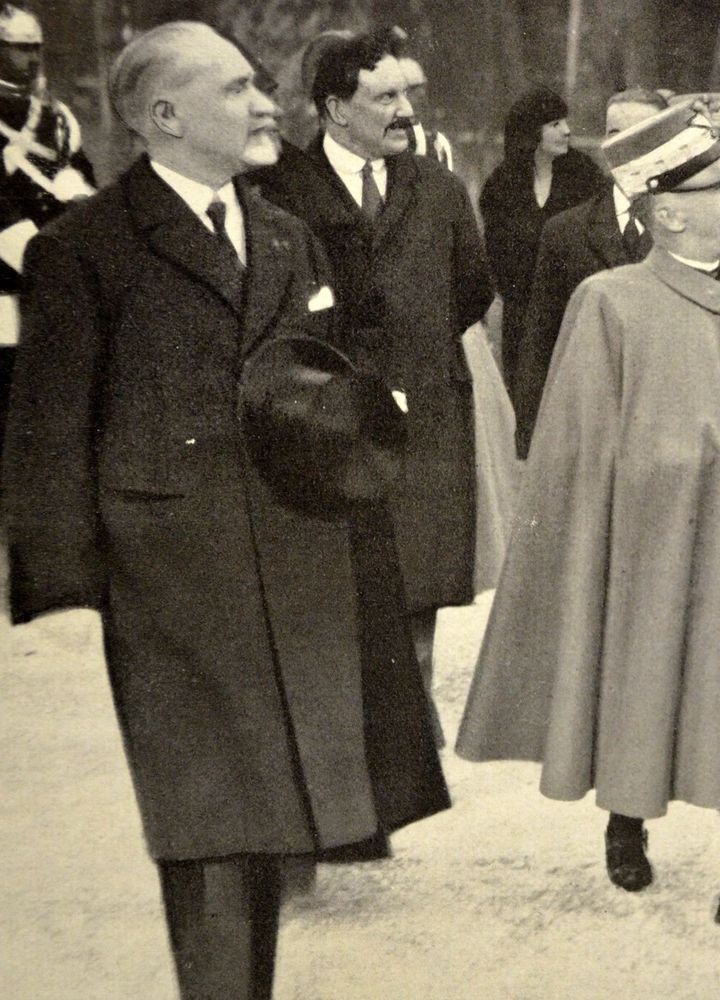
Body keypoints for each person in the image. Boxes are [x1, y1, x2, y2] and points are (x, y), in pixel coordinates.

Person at [3, 22, 449, 997]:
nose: (266, 106)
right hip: (170, 579)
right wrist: (69, 601)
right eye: (240, 89)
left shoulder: (288, 234)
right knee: (205, 825)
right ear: (165, 116)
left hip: (297, 563)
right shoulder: (87, 248)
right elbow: (45, 436)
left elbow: (317, 382)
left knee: (275, 819)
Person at [455, 103, 720, 938]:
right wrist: (691, 466)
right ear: (669, 209)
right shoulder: (612, 302)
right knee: (647, 686)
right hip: (661, 550)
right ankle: (627, 817)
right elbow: (586, 454)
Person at [256, 27, 493, 732]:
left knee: (418, 579)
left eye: (406, 95)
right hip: (321, 419)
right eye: (383, 97)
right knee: (330, 579)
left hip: (425, 412)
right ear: (334, 109)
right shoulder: (279, 193)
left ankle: (409, 732)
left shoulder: (441, 189)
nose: (405, 112)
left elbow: (473, 292)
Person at [508, 87, 666, 458]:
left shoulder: (688, 230)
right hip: (590, 432)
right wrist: (533, 442)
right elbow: (539, 346)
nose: (626, 144)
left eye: (642, 132)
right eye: (614, 133)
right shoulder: (566, 232)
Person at [0, 2, 92, 460]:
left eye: (36, 48)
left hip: (53, 274)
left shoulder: (56, 117)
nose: (32, 59)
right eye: (19, 49)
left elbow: (77, 175)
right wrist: (39, 258)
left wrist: (76, 193)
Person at [478, 87, 607, 386]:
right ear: (531, 131)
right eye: (555, 124)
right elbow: (495, 253)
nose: (567, 131)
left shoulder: (585, 176)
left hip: (573, 312)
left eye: (565, 122)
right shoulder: (502, 184)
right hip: (521, 317)